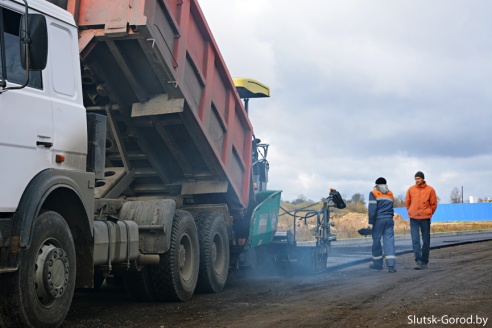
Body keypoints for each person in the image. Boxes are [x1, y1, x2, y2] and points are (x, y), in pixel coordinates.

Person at [405, 171, 437, 270]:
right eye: (415, 179)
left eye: (418, 178)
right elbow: (407, 202)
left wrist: (428, 213)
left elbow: (433, 204)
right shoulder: (411, 190)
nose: (417, 180)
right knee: (415, 240)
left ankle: (424, 261)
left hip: (425, 219)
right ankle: (418, 259)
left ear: (423, 179)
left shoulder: (430, 190)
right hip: (413, 218)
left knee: (426, 241)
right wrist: (411, 211)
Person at [368, 177, 396, 273]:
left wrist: (371, 222)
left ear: (376, 184)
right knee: (389, 242)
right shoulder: (390, 193)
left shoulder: (373, 193)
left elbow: (372, 209)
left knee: (376, 241)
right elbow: (391, 207)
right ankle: (391, 266)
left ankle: (378, 264)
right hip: (389, 220)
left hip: (378, 221)